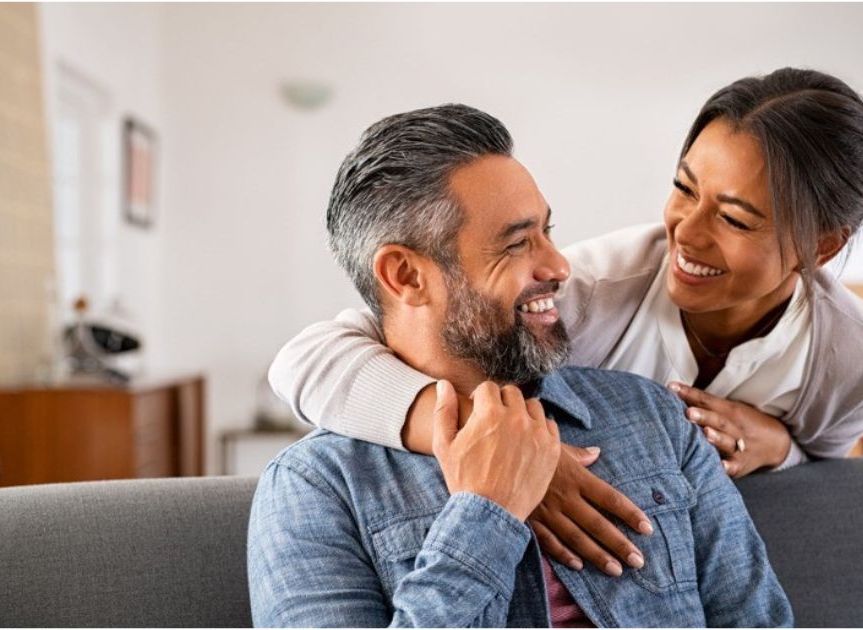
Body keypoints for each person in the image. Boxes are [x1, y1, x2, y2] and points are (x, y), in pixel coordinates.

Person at [270, 67, 863, 576]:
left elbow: (826, 471)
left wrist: (782, 448)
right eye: (684, 188)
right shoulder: (589, 291)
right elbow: (309, 359)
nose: (685, 234)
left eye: (735, 218)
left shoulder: (856, 357)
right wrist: (503, 449)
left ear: (820, 247)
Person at [248, 104, 792, 627]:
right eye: (516, 244)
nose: (558, 265)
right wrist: (486, 513)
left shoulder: (656, 418)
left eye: (548, 232)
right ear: (406, 276)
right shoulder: (315, 488)